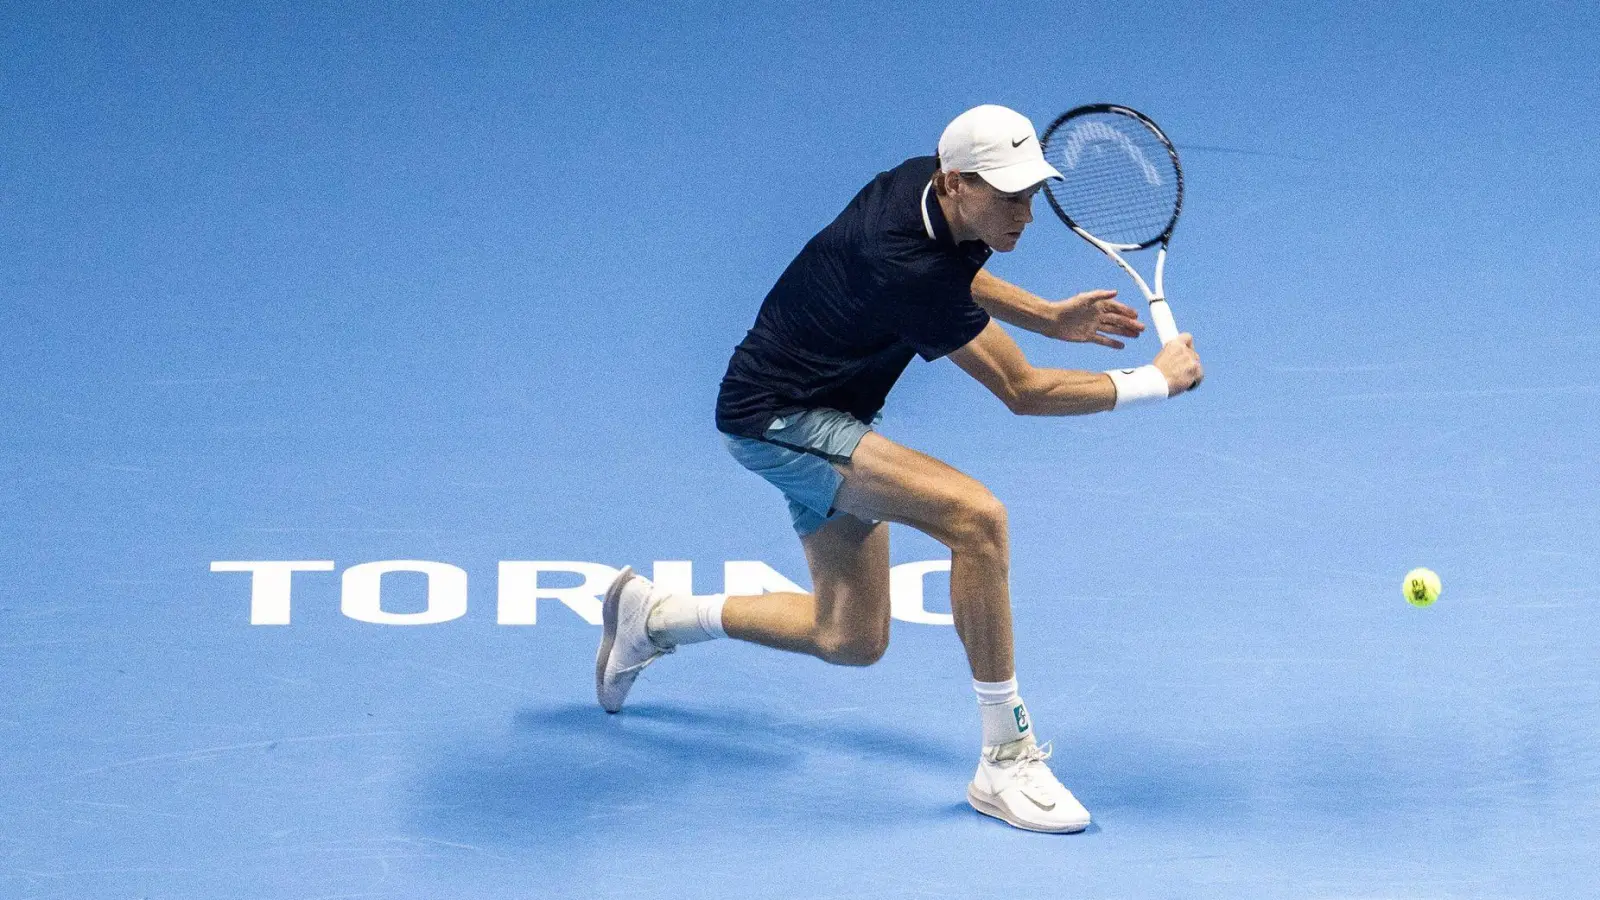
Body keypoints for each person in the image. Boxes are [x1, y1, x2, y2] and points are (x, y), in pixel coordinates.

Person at [594, 104, 1204, 833]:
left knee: (850, 637)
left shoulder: (923, 191)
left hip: (832, 409)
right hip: (777, 420)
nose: (1026, 215)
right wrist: (1155, 381)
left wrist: (1046, 316)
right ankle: (1005, 759)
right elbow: (1023, 392)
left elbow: (955, 278)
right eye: (1009, 196)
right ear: (956, 181)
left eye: (1032, 193)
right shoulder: (900, 261)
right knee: (976, 519)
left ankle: (654, 618)